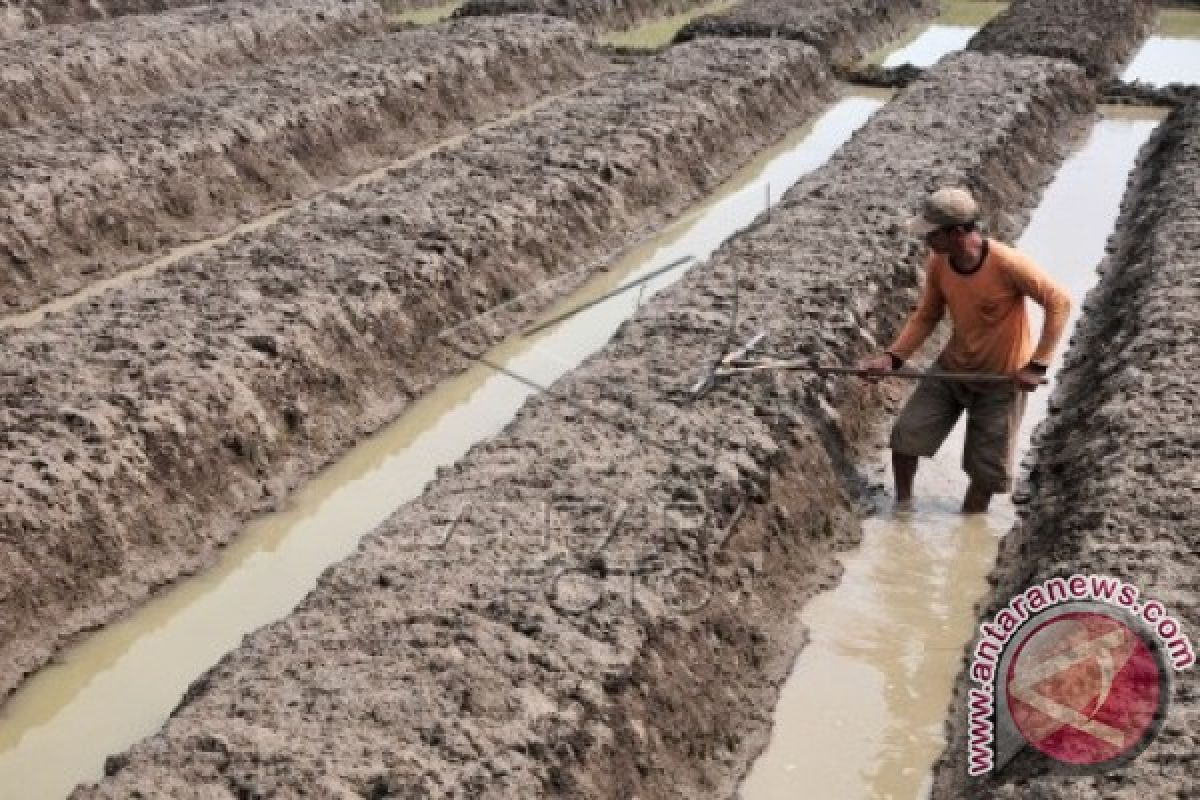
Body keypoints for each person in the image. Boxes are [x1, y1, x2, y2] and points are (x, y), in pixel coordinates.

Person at [861, 187, 1071, 514]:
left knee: (985, 472)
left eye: (932, 234)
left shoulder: (1007, 264)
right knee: (906, 437)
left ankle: (969, 523)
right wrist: (893, 357)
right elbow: (927, 315)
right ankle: (902, 508)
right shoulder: (939, 264)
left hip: (1001, 381)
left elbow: (1059, 302)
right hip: (952, 370)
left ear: (957, 232)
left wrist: (1038, 364)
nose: (926, 241)